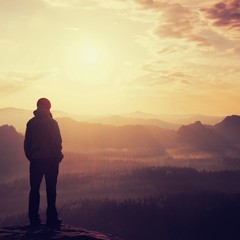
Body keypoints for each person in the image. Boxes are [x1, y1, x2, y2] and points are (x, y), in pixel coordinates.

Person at [24, 98, 64, 227]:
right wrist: (58, 157)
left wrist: (32, 157)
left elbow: (27, 145)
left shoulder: (31, 123)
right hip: (51, 161)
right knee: (51, 190)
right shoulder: (52, 123)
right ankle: (52, 218)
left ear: (37, 107)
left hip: (36, 161)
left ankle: (34, 220)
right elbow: (57, 143)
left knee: (34, 190)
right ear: (48, 108)